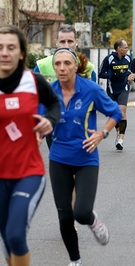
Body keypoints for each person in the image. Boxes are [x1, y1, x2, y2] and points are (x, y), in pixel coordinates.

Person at [49, 47, 122, 266]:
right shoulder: (49, 91)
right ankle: (75, 261)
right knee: (64, 216)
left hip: (86, 157)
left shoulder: (90, 89)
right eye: (58, 64)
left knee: (80, 213)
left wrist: (102, 133)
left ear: (75, 66)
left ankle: (93, 221)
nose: (62, 68)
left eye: (67, 64)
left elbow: (116, 113)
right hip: (59, 157)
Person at [0, 25, 60, 266]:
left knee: (15, 234)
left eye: (11, 47)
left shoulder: (32, 81)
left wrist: (49, 120)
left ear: (21, 53)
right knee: (6, 238)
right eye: (0, 48)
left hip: (29, 173)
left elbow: (54, 103)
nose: (4, 52)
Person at [98, 38, 134, 151]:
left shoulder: (129, 58)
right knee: (115, 114)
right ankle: (118, 133)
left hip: (124, 88)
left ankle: (121, 140)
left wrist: (131, 76)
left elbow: (134, 71)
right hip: (112, 90)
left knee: (122, 112)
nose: (127, 49)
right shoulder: (109, 59)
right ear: (119, 49)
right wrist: (110, 75)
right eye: (126, 47)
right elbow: (100, 74)